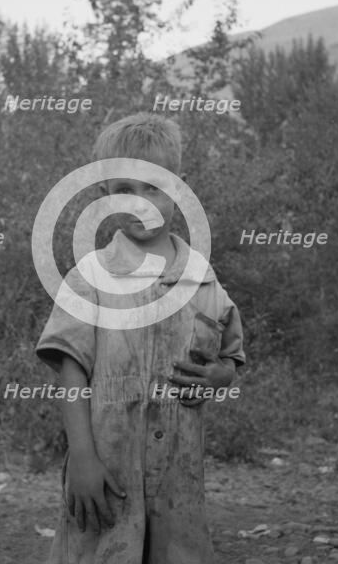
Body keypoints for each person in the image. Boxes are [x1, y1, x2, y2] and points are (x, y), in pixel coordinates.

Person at [36, 113, 245, 564]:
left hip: (177, 476)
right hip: (107, 468)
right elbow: (72, 374)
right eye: (124, 190)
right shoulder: (89, 277)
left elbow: (229, 360)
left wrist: (218, 378)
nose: (141, 202)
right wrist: (83, 459)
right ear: (103, 196)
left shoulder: (204, 282)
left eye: (154, 186)